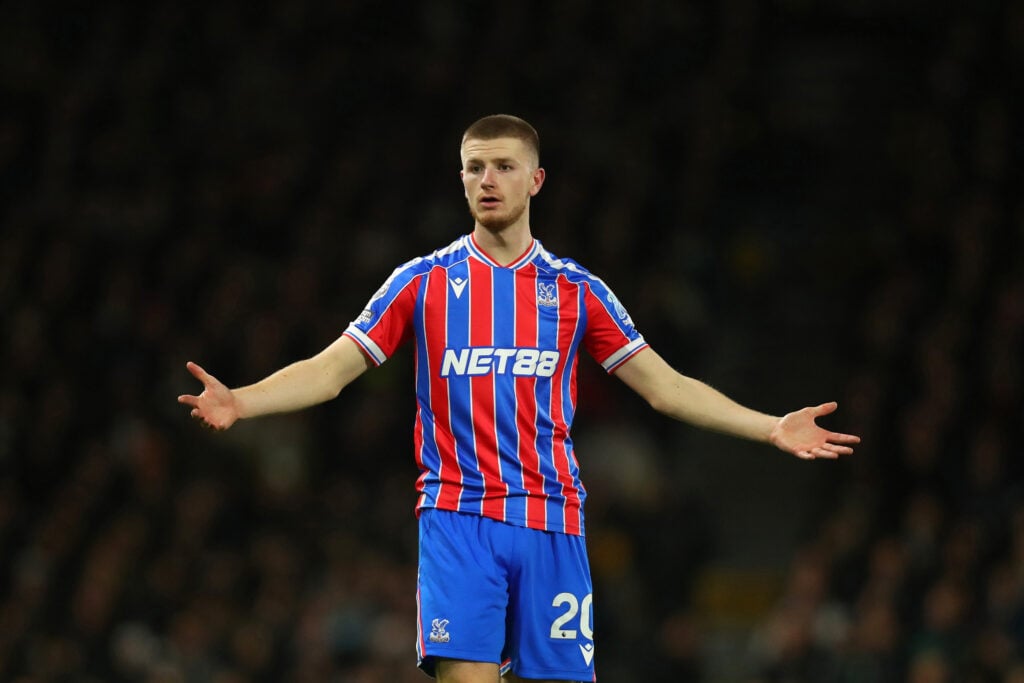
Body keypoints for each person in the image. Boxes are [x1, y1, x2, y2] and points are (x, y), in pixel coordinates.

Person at [178, 114, 860, 683]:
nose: (487, 180)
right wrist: (242, 399)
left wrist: (769, 425)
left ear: (535, 180)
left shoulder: (575, 291)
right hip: (457, 517)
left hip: (551, 522)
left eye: (503, 166)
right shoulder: (422, 282)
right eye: (474, 167)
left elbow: (666, 387)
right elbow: (330, 371)